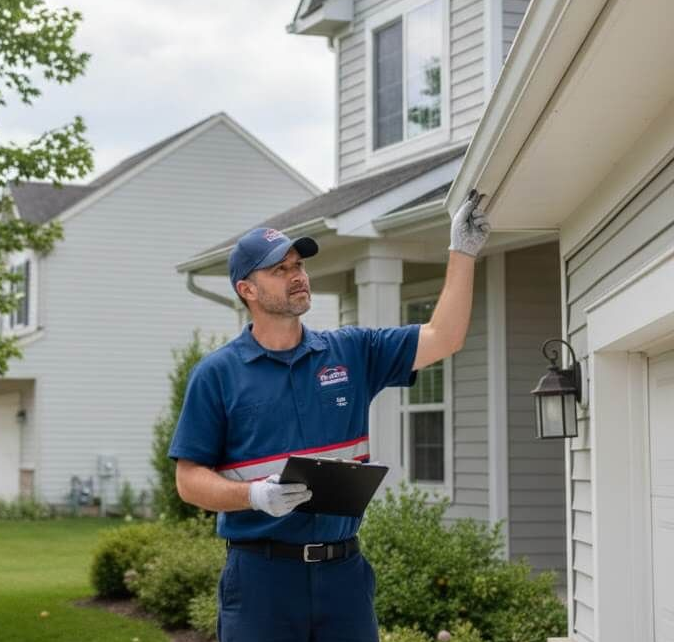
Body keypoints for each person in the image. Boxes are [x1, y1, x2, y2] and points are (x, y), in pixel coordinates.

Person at [168, 190, 490, 642]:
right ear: (247, 289)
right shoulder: (217, 374)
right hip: (262, 579)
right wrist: (255, 496)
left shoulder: (352, 351)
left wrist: (463, 251)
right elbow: (188, 480)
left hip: (344, 576)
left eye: (298, 265)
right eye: (280, 269)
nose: (297, 276)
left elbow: (445, 336)